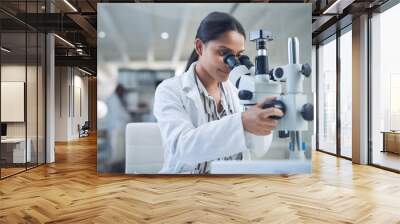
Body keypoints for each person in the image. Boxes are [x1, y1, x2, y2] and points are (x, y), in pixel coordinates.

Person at [153, 11, 283, 174]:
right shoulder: (169, 90)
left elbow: (256, 150)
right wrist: (241, 122)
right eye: (224, 53)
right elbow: (182, 146)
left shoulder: (237, 89)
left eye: (238, 56)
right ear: (200, 47)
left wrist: (263, 119)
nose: (231, 64)